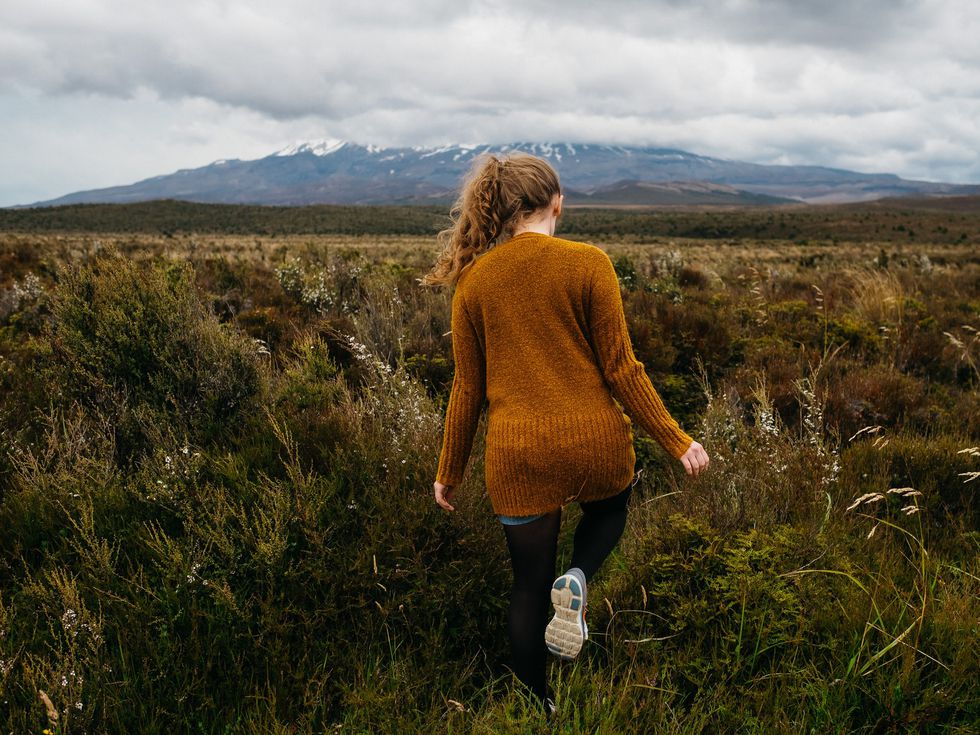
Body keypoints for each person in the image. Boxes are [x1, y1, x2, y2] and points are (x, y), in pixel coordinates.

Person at [420, 151, 710, 713]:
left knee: (528, 588)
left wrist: (448, 471)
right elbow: (623, 368)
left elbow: (466, 391)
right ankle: (577, 577)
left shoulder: (473, 285)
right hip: (594, 441)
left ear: (501, 212)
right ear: (557, 203)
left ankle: (536, 709)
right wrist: (678, 440)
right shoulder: (589, 263)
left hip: (518, 454)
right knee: (610, 509)